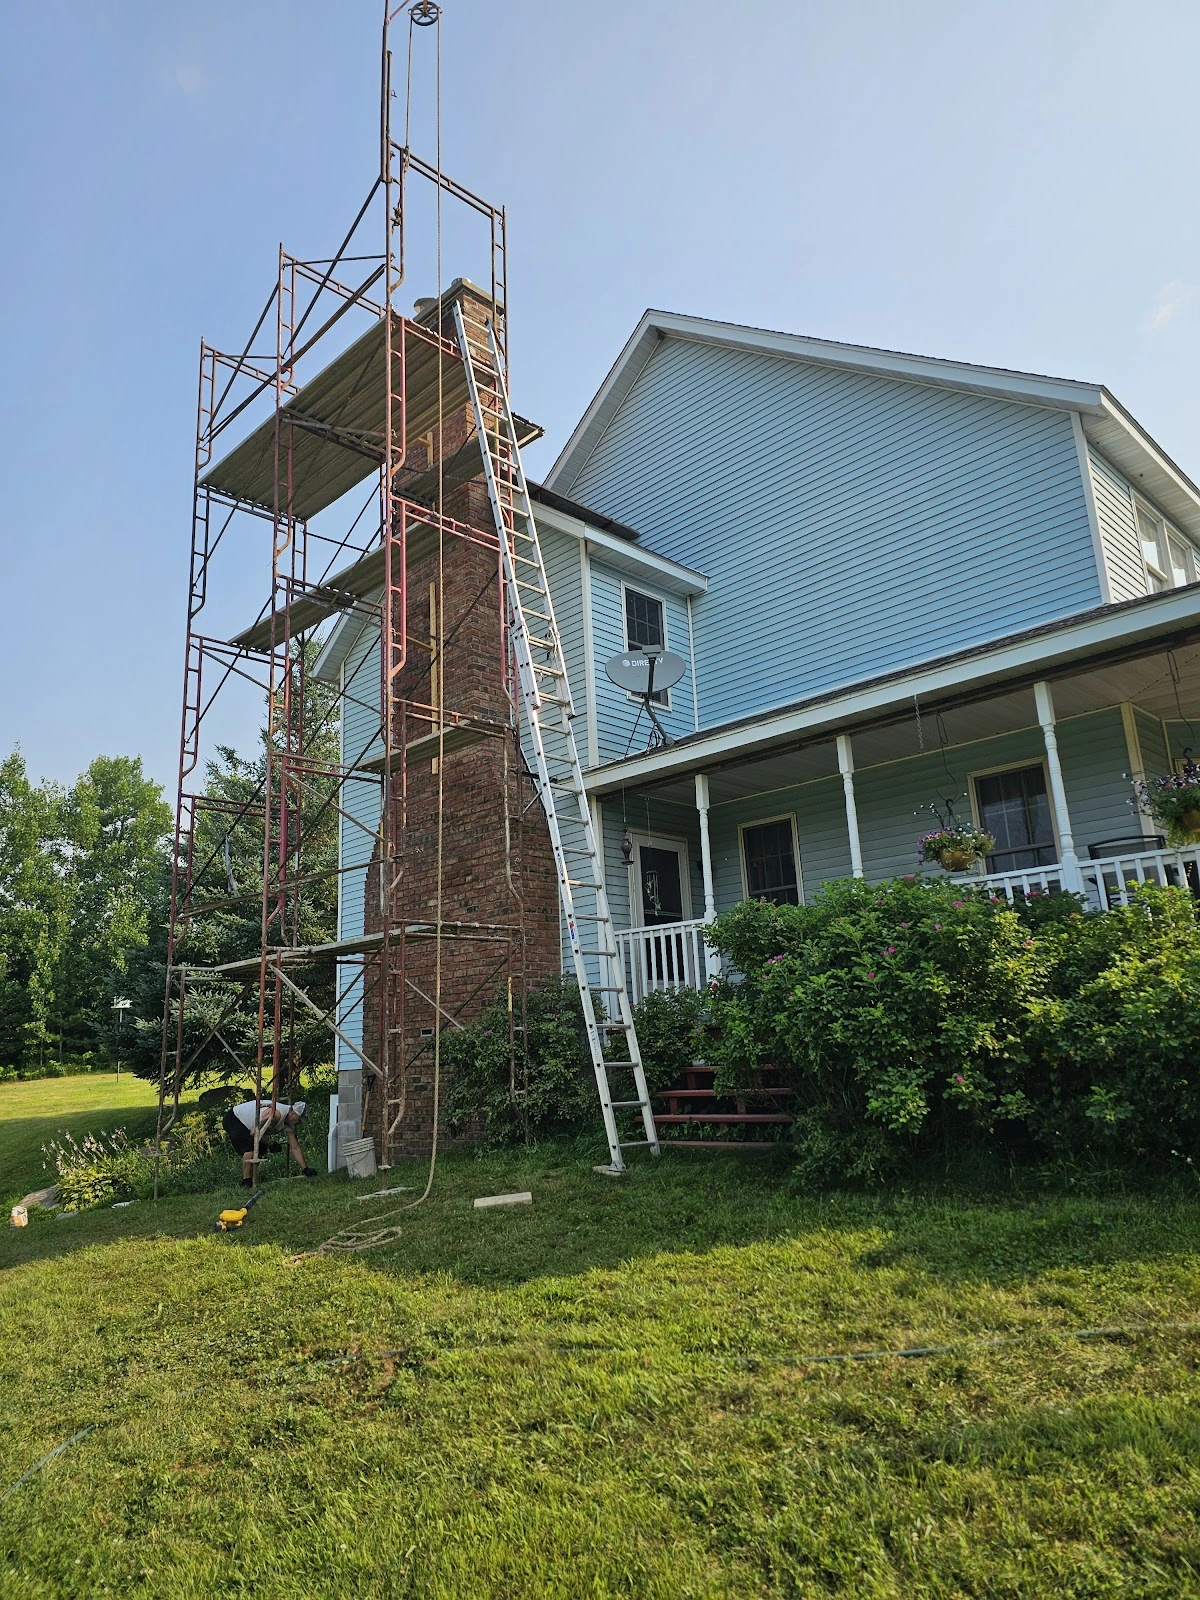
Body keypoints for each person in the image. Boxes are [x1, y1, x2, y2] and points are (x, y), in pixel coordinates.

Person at [222, 1097, 318, 1185]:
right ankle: (246, 1181)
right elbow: (254, 1132)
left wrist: (305, 1169)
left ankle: (251, 1179)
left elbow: (295, 1147)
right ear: (292, 1113)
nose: (298, 1123)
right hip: (235, 1119)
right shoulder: (275, 1116)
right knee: (250, 1147)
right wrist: (271, 1144)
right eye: (298, 1120)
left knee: (261, 1149)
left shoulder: (290, 1124)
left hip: (251, 1127)